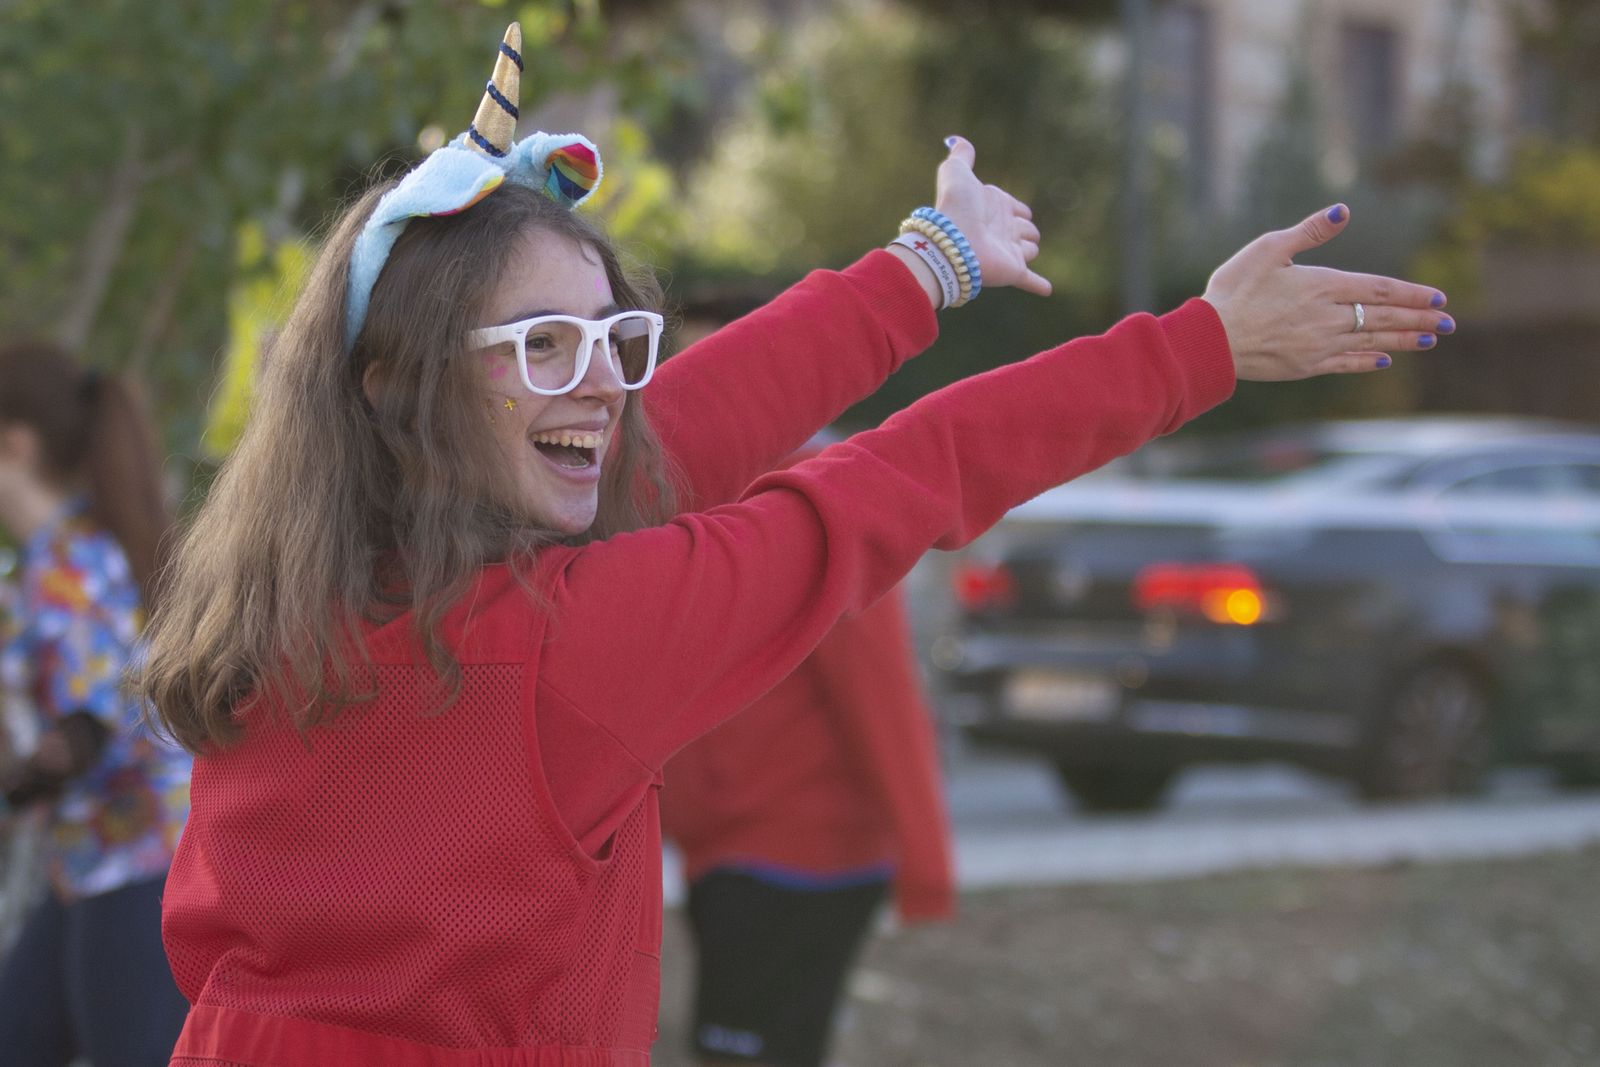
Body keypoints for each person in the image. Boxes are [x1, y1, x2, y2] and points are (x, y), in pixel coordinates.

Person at [140, 24, 1452, 1066]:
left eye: (613, 340)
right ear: (400, 381)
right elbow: (894, 477)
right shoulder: (561, 648)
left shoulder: (279, 599)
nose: (601, 383)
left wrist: (927, 263)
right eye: (543, 345)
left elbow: (677, 434)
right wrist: (1199, 345)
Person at [660, 435, 954, 1067]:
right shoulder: (678, 478)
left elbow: (878, 687)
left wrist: (925, 863)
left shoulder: (817, 495)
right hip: (730, 853)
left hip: (800, 856)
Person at [0, 340, 191, 1065]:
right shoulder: (75, 550)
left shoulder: (64, 566)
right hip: (96, 857)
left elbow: (86, 731)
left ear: (15, 444)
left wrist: (25, 778)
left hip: (137, 860)